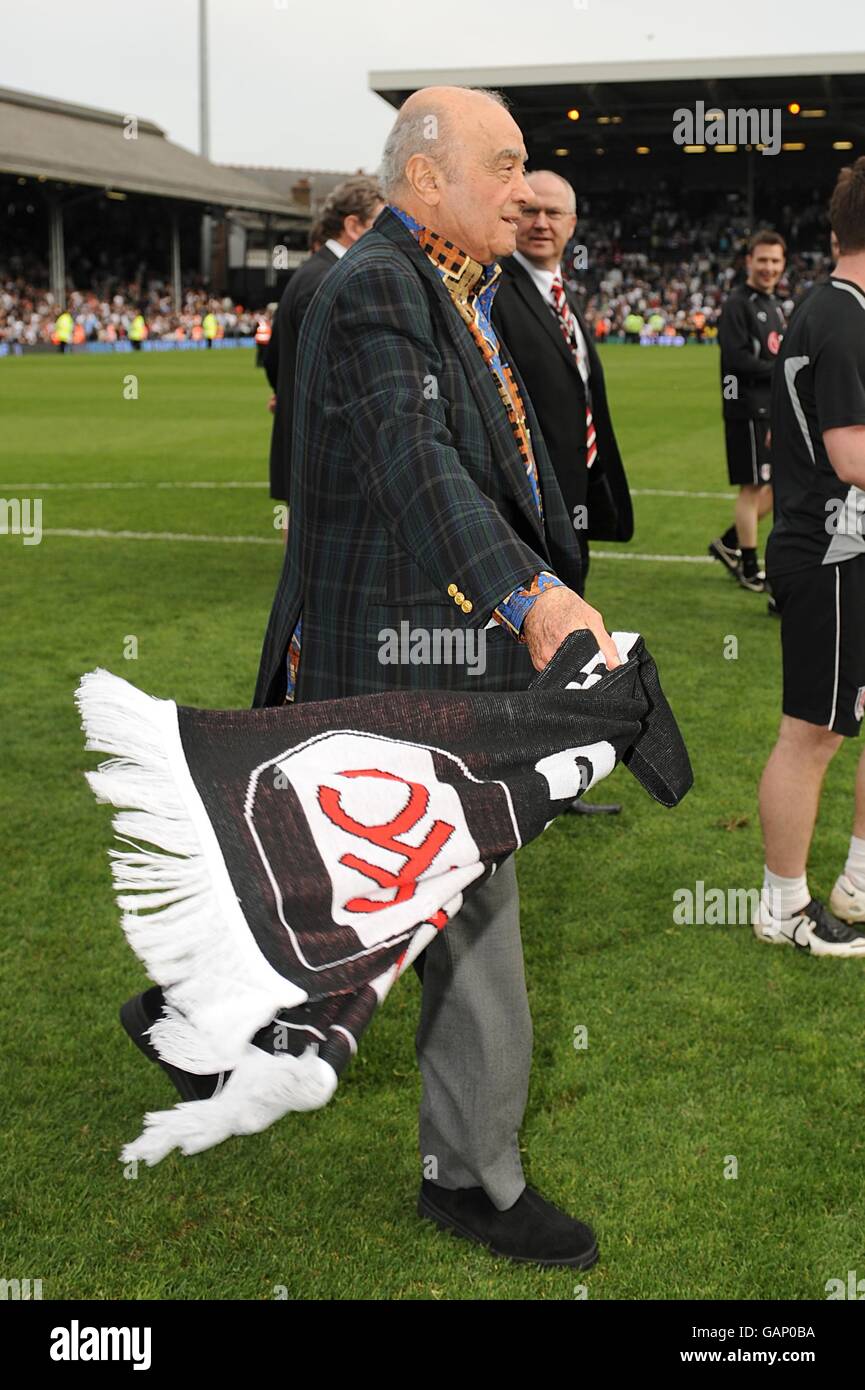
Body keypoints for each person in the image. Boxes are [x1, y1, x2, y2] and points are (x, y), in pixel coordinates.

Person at [248, 85, 621, 1266]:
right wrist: (531, 597)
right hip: (394, 668)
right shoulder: (373, 290)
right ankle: (470, 1177)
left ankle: (216, 1005)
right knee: (465, 909)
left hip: (427, 661)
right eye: (504, 165)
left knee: (381, 903)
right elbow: (421, 472)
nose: (526, 189)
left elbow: (488, 461)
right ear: (425, 178)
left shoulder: (452, 284)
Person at [753, 160, 865, 958]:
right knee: (811, 734)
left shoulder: (833, 306)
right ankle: (781, 905)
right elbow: (851, 454)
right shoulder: (845, 318)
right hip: (831, 550)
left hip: (844, 543)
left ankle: (857, 876)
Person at [491, 168, 632, 596]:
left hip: (575, 496)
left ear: (571, 224)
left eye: (553, 212)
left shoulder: (563, 296)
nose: (540, 223)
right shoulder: (492, 290)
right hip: (527, 509)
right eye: (529, 210)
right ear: (512, 216)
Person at [264, 179, 384, 504]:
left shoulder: (314, 272)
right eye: (380, 223)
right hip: (323, 447)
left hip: (306, 438)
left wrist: (286, 394)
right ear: (354, 226)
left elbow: (273, 358)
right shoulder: (334, 278)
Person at [709, 231, 787, 592]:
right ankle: (750, 568)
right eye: (763, 260)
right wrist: (784, 368)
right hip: (746, 408)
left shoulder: (773, 304)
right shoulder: (738, 304)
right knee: (752, 487)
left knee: (775, 484)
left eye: (775, 260)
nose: (769, 267)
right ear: (749, 262)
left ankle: (729, 541)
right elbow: (738, 358)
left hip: (768, 408)